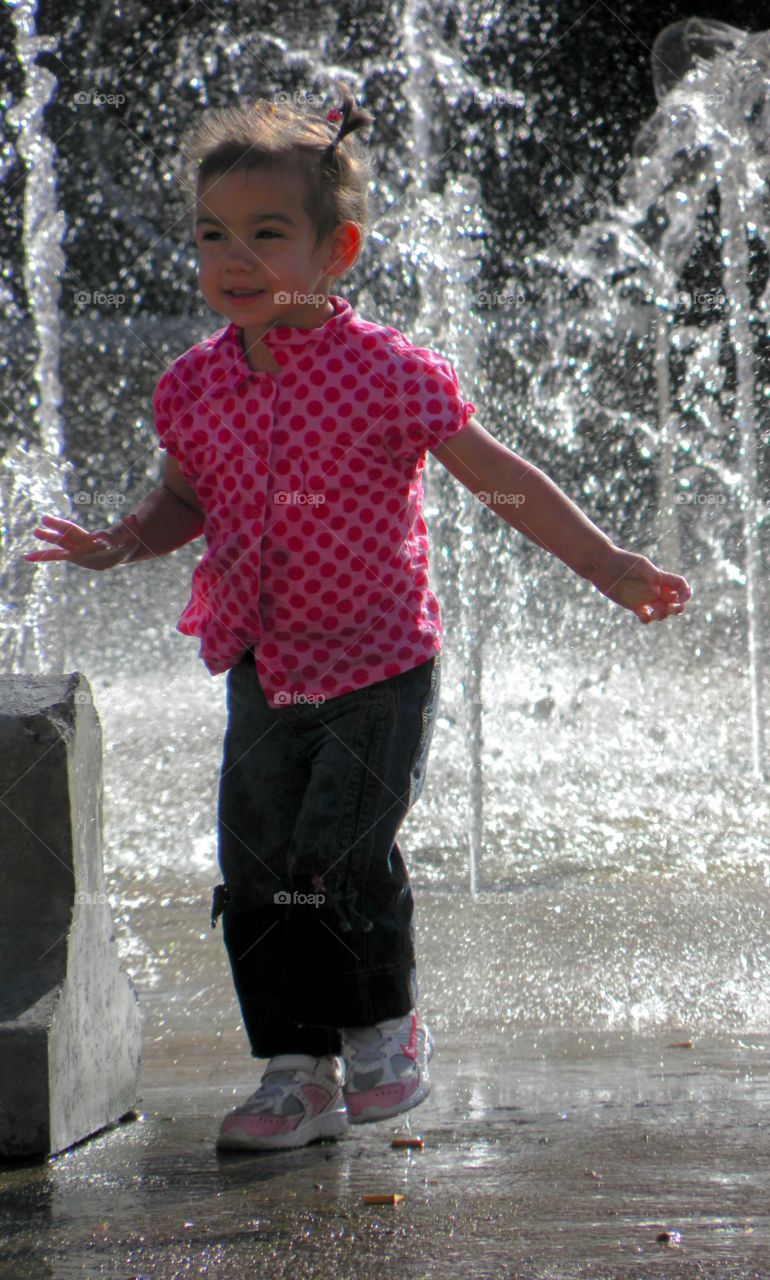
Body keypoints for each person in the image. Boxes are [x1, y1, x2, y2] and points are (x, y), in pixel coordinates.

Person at [25, 92, 691, 1153]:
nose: (233, 258)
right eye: (212, 235)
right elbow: (184, 501)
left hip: (379, 662)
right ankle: (297, 1070)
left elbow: (496, 479)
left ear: (338, 250)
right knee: (255, 866)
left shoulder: (387, 372)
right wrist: (121, 540)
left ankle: (386, 1025)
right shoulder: (194, 385)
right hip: (261, 661)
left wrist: (603, 561)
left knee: (338, 847)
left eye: (266, 233)